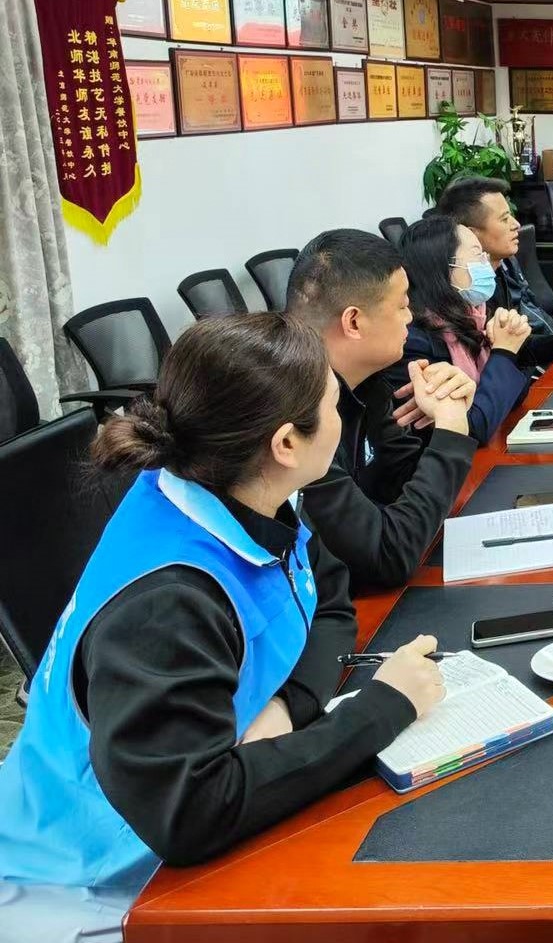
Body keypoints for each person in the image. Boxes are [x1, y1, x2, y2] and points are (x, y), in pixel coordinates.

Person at [0, 314, 443, 940]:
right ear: (286, 443)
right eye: (332, 404)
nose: (344, 418)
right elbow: (191, 813)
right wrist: (382, 709)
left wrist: (288, 709)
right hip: (94, 886)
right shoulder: (169, 605)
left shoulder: (245, 489)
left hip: (193, 801)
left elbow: (331, 598)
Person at [287, 229, 477, 591]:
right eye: (403, 305)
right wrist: (451, 432)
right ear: (354, 322)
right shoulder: (294, 414)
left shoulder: (368, 382)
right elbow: (387, 557)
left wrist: (441, 417)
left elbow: (411, 488)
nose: (412, 316)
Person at [391, 215, 533, 445]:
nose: (486, 263)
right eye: (478, 255)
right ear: (443, 268)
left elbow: (513, 397)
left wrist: (512, 341)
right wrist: (504, 353)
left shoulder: (473, 313)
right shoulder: (414, 343)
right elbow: (472, 429)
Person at [435, 176, 553, 367]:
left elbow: (524, 332)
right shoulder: (470, 289)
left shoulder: (506, 263)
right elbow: (503, 352)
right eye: (504, 219)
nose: (516, 224)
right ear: (470, 234)